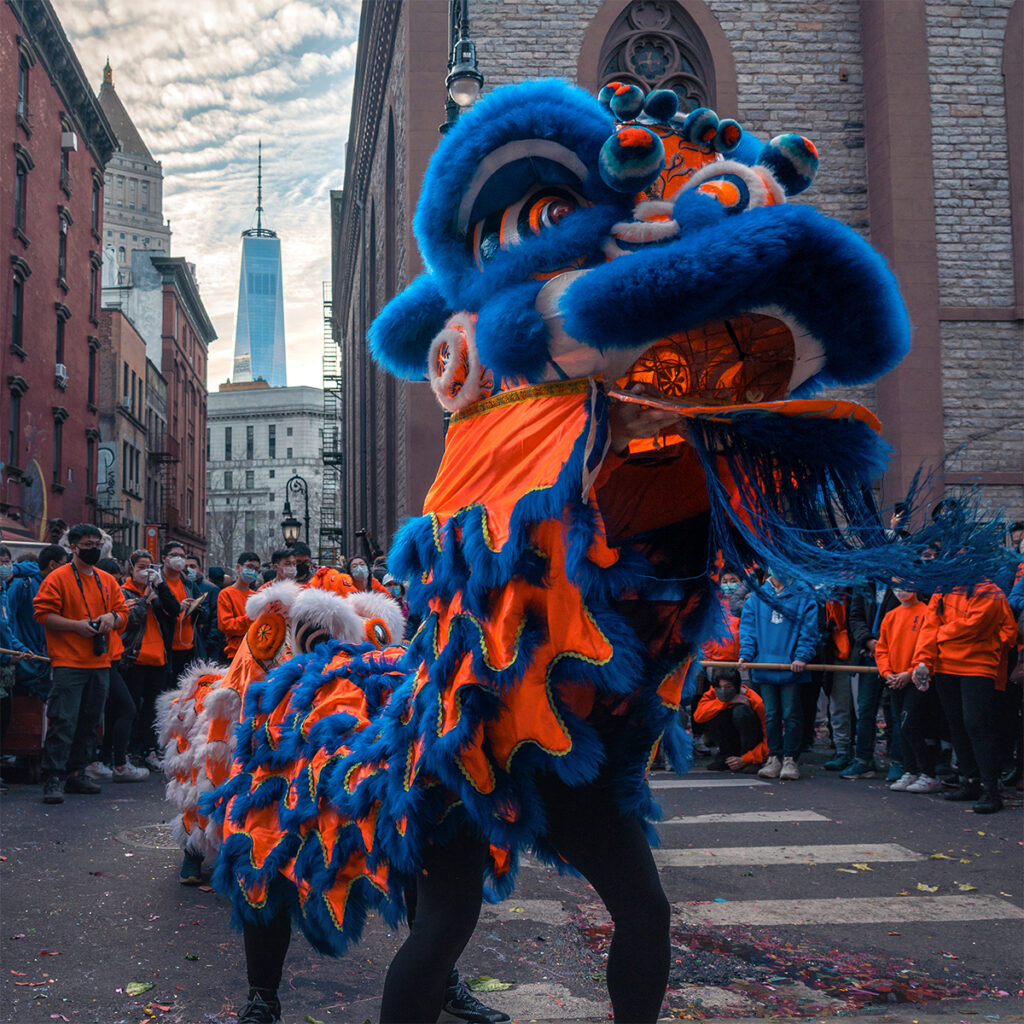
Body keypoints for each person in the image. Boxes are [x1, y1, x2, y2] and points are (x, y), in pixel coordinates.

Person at [33, 523, 128, 804]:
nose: (94, 549)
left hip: (100, 661)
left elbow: (123, 612)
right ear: (72, 547)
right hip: (68, 661)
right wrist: (75, 626)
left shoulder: (106, 580)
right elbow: (42, 614)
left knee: (89, 721)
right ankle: (53, 776)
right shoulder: (58, 578)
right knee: (63, 720)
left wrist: (113, 618)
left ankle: (78, 772)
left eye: (97, 544)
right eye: (87, 545)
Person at [911, 579, 1017, 813]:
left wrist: (940, 633)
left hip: (979, 667)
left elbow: (975, 626)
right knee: (957, 725)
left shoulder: (989, 590)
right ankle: (970, 781)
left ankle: (990, 788)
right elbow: (930, 628)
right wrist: (923, 661)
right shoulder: (943, 589)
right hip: (946, 667)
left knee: (977, 725)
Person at [738, 570, 818, 780]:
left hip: (791, 666)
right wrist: (746, 655)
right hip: (764, 665)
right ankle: (774, 757)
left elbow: (809, 631)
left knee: (791, 713)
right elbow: (748, 629)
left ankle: (791, 758)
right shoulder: (757, 596)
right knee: (771, 713)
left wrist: (802, 656)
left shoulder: (804, 595)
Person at [83, 559, 148, 784]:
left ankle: (99, 760)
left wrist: (120, 613)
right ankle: (115, 764)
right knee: (123, 708)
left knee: (105, 711)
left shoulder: (113, 597)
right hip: (100, 661)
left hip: (112, 658)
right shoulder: (96, 595)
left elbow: (123, 620)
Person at [121, 550, 179, 770]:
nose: (145, 572)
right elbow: (130, 621)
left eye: (149, 567)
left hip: (158, 658)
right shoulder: (124, 592)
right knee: (132, 707)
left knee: (153, 709)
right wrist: (146, 598)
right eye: (141, 568)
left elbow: (174, 610)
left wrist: (161, 586)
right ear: (131, 569)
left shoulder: (158, 590)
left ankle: (149, 749)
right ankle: (131, 750)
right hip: (135, 658)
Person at [840, 581, 901, 780]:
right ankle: (863, 760)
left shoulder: (904, 580)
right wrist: (867, 640)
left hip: (896, 655)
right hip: (868, 654)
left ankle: (898, 761)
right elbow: (855, 616)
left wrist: (883, 644)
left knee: (895, 711)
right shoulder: (865, 581)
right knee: (865, 709)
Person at [692, 667, 767, 771]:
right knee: (714, 712)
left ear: (736, 686)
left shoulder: (755, 700)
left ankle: (748, 760)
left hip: (750, 746)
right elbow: (698, 716)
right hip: (728, 741)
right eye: (720, 687)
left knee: (741, 712)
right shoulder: (713, 693)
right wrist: (725, 703)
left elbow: (768, 740)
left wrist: (746, 758)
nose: (723, 690)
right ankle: (726, 757)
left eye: (728, 687)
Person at [160, 542, 202, 680]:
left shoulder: (189, 584)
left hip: (188, 648)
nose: (179, 559)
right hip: (165, 648)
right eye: (174, 555)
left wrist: (196, 608)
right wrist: (178, 606)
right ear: (164, 558)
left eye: (182, 556)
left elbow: (204, 615)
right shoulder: (157, 583)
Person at [218, 552, 261, 662]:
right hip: (235, 653)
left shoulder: (256, 596)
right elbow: (227, 626)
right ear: (238, 567)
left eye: (256, 569)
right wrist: (250, 619)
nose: (253, 571)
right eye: (249, 566)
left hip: (256, 652)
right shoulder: (226, 594)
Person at [186, 553, 224, 662]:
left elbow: (216, 619)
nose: (188, 570)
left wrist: (210, 643)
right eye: (186, 566)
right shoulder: (181, 586)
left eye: (192, 566)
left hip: (204, 644)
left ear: (200, 569)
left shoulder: (212, 589)